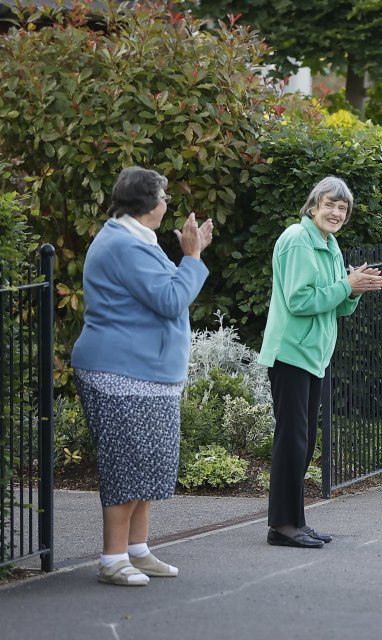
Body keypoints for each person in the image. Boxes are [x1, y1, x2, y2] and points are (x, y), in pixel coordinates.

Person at [72, 166, 213, 586]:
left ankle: (138, 549)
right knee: (127, 467)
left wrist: (192, 254)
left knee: (149, 464)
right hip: (118, 371)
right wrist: (192, 257)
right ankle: (112, 558)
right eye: (164, 198)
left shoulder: (135, 240)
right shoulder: (122, 246)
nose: (167, 204)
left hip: (145, 374)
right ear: (148, 204)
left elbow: (164, 291)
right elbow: (171, 299)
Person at [259, 176, 382, 548]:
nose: (336, 212)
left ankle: (293, 520)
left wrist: (354, 288)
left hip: (313, 355)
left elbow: (337, 304)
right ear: (312, 205)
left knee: (304, 440)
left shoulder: (329, 244)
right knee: (292, 440)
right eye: (330, 204)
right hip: (291, 352)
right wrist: (347, 286)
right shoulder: (298, 240)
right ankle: (282, 525)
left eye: (342, 208)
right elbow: (299, 300)